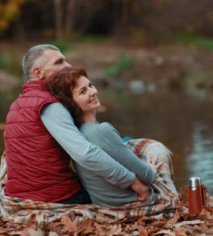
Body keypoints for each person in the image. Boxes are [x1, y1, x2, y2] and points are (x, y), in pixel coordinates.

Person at [4, 44, 149, 205]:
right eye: (59, 62)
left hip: (17, 194)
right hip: (55, 197)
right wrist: (131, 181)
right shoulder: (49, 105)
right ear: (38, 72)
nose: (68, 66)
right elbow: (85, 153)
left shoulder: (16, 104)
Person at [47, 66, 179, 207]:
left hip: (105, 205)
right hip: (134, 203)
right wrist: (152, 168)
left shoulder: (77, 136)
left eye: (90, 85)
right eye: (83, 91)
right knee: (158, 152)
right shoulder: (102, 131)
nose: (92, 92)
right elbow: (148, 177)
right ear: (71, 103)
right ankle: (174, 202)